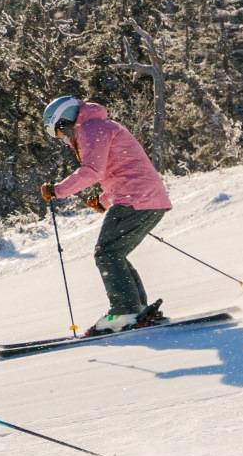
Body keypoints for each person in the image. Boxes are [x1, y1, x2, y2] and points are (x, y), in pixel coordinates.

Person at [39, 95, 172, 335]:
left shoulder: (91, 129)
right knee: (114, 253)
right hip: (147, 199)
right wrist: (103, 200)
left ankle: (125, 310)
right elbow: (120, 169)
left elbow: (92, 171)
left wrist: (57, 190)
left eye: (59, 133)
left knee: (107, 253)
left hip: (136, 199)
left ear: (64, 121)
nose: (63, 139)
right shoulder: (101, 127)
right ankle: (136, 309)